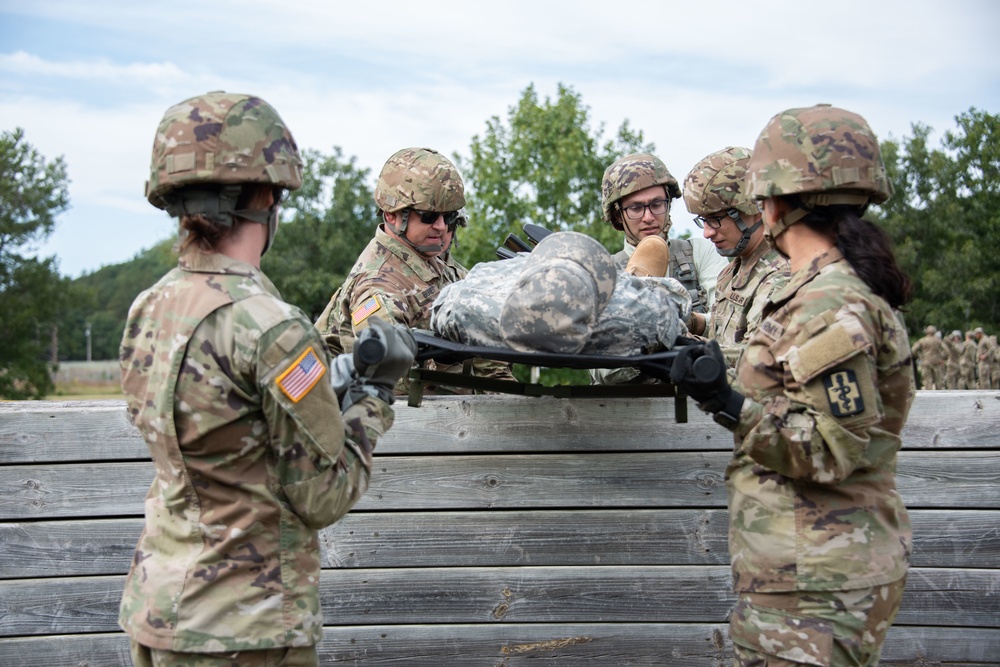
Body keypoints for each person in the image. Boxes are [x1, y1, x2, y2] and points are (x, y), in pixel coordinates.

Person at [120, 91, 415, 667]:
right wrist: (376, 394)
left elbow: (232, 426)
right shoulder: (271, 326)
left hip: (158, 613)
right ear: (263, 197)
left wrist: (339, 378)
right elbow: (325, 493)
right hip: (244, 630)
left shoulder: (150, 308)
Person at [667, 104, 915, 666]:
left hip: (817, 579)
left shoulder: (830, 303)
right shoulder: (826, 289)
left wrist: (724, 400)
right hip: (804, 569)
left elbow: (831, 447)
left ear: (773, 203)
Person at [316, 147, 514, 394]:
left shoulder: (441, 266)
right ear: (391, 214)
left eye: (449, 217)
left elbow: (493, 369)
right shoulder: (378, 285)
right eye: (428, 216)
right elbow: (396, 386)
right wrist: (446, 358)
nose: (441, 226)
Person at [682, 146, 789, 371]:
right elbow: (725, 333)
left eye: (716, 219)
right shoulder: (732, 272)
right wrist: (690, 322)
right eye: (704, 220)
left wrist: (684, 348)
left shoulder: (780, 277)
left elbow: (759, 360)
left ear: (752, 208)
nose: (707, 232)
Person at [600, 152, 729, 335]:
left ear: (667, 204)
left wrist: (688, 320)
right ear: (618, 215)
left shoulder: (700, 252)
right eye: (636, 208)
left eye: (656, 204)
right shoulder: (606, 272)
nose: (648, 217)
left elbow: (730, 321)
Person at [911, 325, 948, 389]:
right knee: (939, 380)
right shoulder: (938, 340)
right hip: (937, 362)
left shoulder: (922, 340)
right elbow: (946, 351)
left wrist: (919, 356)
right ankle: (939, 394)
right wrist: (941, 357)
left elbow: (913, 350)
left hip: (926, 361)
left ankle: (929, 393)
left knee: (927, 380)